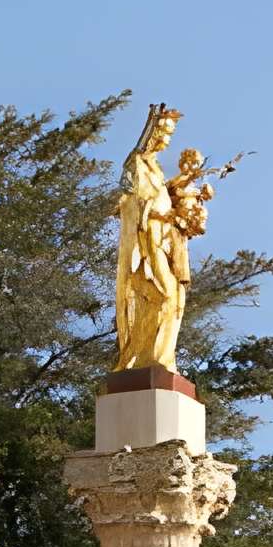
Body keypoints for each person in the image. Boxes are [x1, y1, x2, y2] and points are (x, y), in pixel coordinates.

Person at [112, 105, 189, 374]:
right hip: (144, 246)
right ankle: (143, 357)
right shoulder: (137, 165)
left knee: (176, 298)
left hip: (164, 244)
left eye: (169, 135)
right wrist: (162, 216)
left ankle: (160, 359)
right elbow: (133, 199)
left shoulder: (157, 172)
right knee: (164, 295)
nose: (165, 140)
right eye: (162, 132)